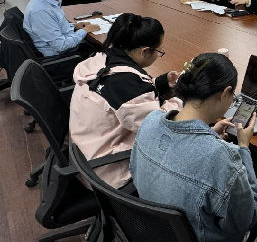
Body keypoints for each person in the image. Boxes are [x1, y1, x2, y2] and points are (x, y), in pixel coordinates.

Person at [131, 53, 257, 242]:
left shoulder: (151, 120)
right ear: (225, 93)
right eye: (233, 97)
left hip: (153, 230)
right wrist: (243, 147)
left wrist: (208, 133)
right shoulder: (222, 157)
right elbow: (246, 220)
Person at [69, 13, 182, 189]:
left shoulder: (101, 59)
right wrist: (183, 97)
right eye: (159, 51)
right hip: (106, 172)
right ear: (144, 51)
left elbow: (127, 92)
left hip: (85, 150)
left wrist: (160, 83)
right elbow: (159, 126)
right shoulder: (126, 85)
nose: (159, 55)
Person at [23, 0, 99, 57]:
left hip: (69, 48)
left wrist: (74, 26)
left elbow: (55, 26)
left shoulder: (46, 1)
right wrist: (84, 31)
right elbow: (61, 45)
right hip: (64, 57)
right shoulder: (40, 11)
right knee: (105, 53)